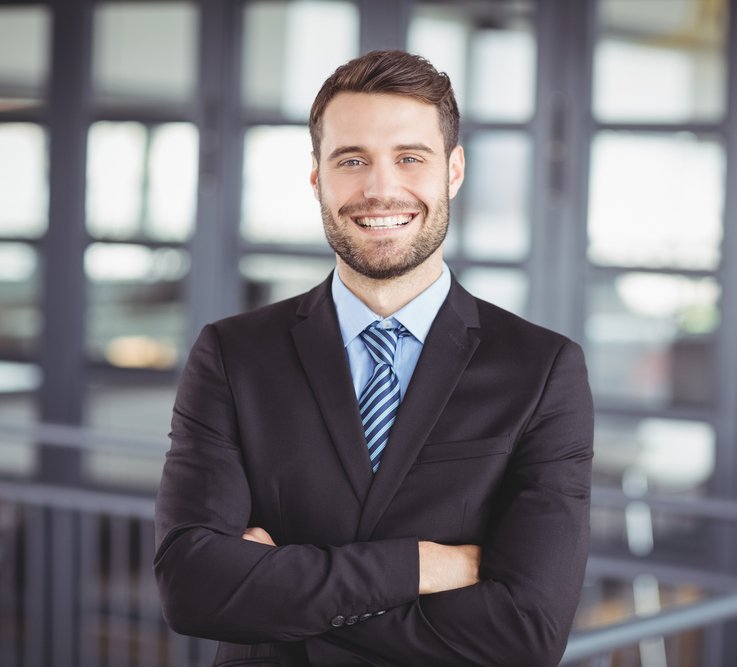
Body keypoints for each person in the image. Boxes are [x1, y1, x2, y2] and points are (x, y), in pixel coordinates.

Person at [154, 49, 594, 667]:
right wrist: (424, 564)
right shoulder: (233, 354)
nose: (380, 188)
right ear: (316, 176)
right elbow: (192, 589)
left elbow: (526, 634)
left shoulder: (542, 370)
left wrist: (274, 586)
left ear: (454, 170)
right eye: (351, 160)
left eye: (410, 158)